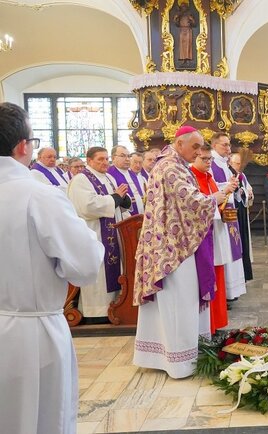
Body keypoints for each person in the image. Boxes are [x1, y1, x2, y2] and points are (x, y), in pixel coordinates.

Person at [0, 102, 104, 434]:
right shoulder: (38, 195)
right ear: (23, 146)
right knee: (39, 419)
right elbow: (84, 266)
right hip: (31, 335)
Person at [133, 126, 218, 378]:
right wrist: (217, 196)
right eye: (195, 146)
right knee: (179, 300)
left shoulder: (173, 163)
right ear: (180, 143)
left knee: (175, 301)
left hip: (171, 240)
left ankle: (167, 354)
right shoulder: (170, 166)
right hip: (173, 247)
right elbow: (192, 201)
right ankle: (179, 361)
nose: (198, 152)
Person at [67, 146, 132, 322]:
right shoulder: (81, 180)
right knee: (99, 272)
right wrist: (116, 197)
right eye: (100, 159)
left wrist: (123, 200)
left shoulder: (109, 177)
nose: (105, 162)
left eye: (106, 159)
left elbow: (117, 200)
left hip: (113, 233)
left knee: (113, 270)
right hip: (94, 234)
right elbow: (87, 206)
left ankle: (115, 307)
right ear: (89, 161)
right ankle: (96, 312)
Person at [190, 144, 229, 334]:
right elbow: (193, 207)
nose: (208, 162)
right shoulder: (191, 178)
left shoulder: (209, 177)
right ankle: (208, 326)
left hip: (215, 234)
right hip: (203, 239)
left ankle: (217, 323)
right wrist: (214, 199)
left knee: (218, 276)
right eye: (204, 159)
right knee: (207, 278)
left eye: (210, 159)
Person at [210, 132, 247, 302]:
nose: (228, 148)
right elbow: (210, 187)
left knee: (233, 248)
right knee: (224, 249)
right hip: (220, 213)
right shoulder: (211, 163)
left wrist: (236, 188)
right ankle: (225, 292)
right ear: (214, 145)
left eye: (229, 144)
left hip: (230, 211)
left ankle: (233, 291)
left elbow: (230, 189)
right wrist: (228, 186)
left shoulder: (225, 164)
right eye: (224, 144)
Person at [230, 151, 254, 281]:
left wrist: (248, 193)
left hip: (242, 211)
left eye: (239, 163)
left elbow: (248, 189)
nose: (238, 166)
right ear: (230, 163)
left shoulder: (242, 176)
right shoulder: (230, 174)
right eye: (236, 163)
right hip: (233, 212)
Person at [108, 145, 145, 215]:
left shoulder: (132, 173)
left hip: (140, 214)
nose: (127, 159)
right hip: (123, 216)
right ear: (113, 158)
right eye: (123, 156)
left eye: (128, 156)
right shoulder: (109, 175)